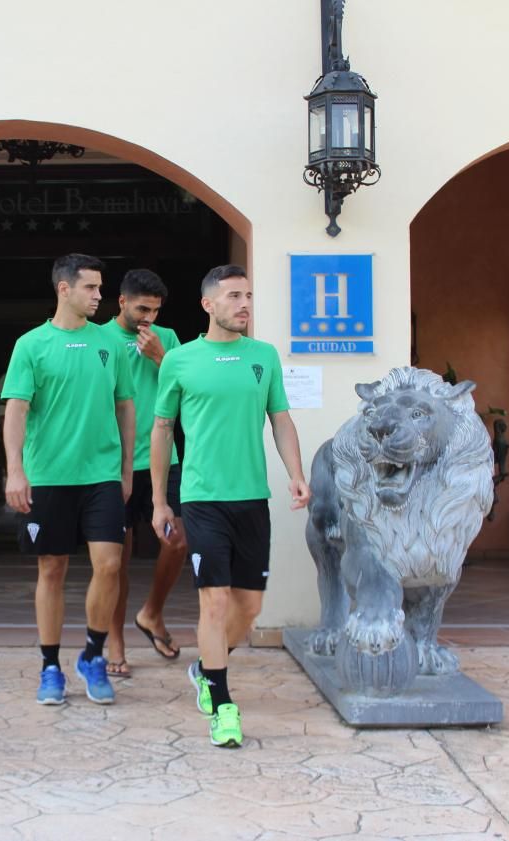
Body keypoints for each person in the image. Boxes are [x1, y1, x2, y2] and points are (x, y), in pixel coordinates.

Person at [151, 264, 310, 748]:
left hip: (251, 498)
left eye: (248, 296)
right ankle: (222, 704)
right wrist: (161, 500)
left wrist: (296, 474)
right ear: (208, 305)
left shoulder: (263, 357)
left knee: (249, 607)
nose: (244, 304)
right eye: (234, 296)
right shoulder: (180, 360)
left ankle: (205, 666)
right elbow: (161, 429)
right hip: (201, 498)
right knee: (214, 600)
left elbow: (280, 419)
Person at [2, 254, 135, 706]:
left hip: (101, 476)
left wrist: (125, 472)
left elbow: (125, 408)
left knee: (110, 565)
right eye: (91, 288)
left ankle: (93, 655)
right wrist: (15, 471)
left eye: (100, 288)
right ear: (64, 289)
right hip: (49, 477)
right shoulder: (31, 345)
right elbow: (16, 412)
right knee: (52, 569)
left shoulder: (111, 344)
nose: (100, 295)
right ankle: (50, 666)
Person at [101, 269, 187, 676]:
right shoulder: (98, 338)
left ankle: (151, 613)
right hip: (112, 464)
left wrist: (159, 356)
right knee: (117, 558)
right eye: (141, 308)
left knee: (177, 541)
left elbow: (191, 384)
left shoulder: (166, 339)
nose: (148, 317)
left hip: (161, 460)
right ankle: (115, 639)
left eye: (155, 310)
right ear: (121, 302)